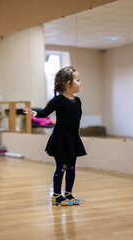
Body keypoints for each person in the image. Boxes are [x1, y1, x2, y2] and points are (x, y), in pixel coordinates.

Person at [23, 66, 86, 206]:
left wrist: (77, 129)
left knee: (71, 168)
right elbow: (45, 112)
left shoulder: (78, 101)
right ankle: (56, 196)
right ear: (68, 83)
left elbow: (77, 117)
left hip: (73, 139)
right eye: (78, 80)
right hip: (60, 139)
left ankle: (68, 194)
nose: (80, 83)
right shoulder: (58, 100)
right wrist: (34, 113)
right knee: (61, 167)